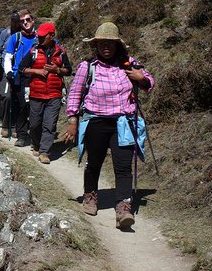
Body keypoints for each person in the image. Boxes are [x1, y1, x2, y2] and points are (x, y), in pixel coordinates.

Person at [61, 22, 154, 230]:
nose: (106, 47)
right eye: (102, 43)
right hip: (96, 121)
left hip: (123, 122)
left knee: (123, 166)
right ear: (96, 45)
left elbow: (149, 81)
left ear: (117, 45)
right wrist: (72, 121)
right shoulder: (88, 66)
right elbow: (75, 94)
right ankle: (91, 196)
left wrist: (141, 78)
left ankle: (123, 207)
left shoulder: (129, 64)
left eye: (110, 43)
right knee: (94, 163)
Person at [19, 21, 72, 164]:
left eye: (44, 36)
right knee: (35, 124)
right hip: (36, 93)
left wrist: (58, 70)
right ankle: (36, 144)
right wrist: (36, 71)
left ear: (52, 35)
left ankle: (45, 152)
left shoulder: (61, 52)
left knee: (50, 124)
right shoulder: (33, 51)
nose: (40, 38)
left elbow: (69, 70)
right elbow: (21, 68)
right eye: (40, 36)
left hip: (54, 94)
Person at [2, 9, 38, 145]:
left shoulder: (40, 37)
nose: (25, 23)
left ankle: (34, 134)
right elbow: (8, 57)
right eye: (22, 21)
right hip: (19, 76)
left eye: (28, 20)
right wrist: (9, 72)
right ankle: (22, 135)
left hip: (36, 75)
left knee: (33, 106)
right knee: (21, 106)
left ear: (33, 20)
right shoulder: (15, 38)